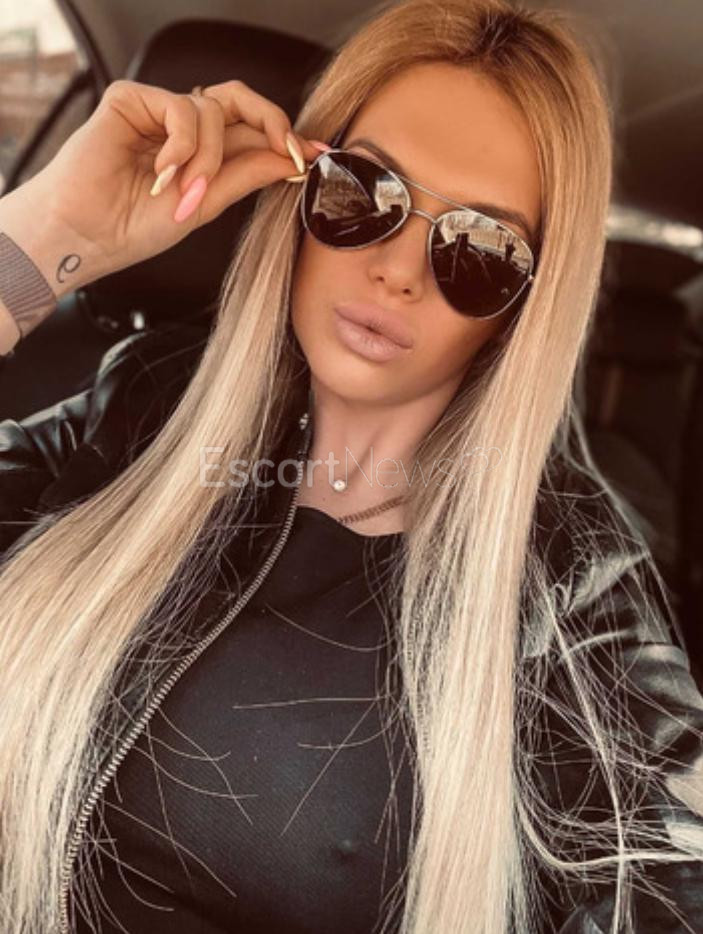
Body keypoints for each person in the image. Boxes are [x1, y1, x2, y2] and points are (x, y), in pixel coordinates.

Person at [0, 0, 702, 931]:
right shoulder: (142, 410)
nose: (398, 270)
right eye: (365, 192)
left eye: (481, 249)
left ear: (524, 305)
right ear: (300, 189)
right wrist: (45, 236)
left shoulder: (571, 582)